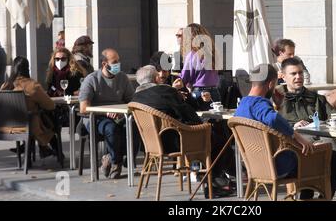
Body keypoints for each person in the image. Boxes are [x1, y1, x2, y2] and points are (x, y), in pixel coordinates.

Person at [235, 64, 336, 198]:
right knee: (334, 158)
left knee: (311, 156)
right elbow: (272, 119)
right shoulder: (260, 104)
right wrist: (296, 136)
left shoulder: (242, 106)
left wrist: (278, 107)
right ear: (271, 84)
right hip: (280, 166)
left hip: (256, 165)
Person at [131, 65, 235, 197]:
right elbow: (190, 116)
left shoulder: (135, 98)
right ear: (156, 78)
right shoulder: (165, 91)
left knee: (213, 136)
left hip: (152, 144)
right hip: (178, 141)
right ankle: (215, 183)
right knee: (217, 138)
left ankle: (222, 179)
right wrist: (201, 124)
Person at [273, 58, 336, 199]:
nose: (298, 77)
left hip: (322, 139)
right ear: (283, 76)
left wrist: (334, 121)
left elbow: (334, 115)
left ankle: (325, 198)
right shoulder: (277, 98)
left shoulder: (315, 97)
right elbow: (272, 124)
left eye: (300, 73)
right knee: (311, 159)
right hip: (294, 142)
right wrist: (292, 126)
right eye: (293, 74)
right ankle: (306, 195)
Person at [79, 48, 137, 179]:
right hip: (96, 118)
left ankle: (113, 157)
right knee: (112, 129)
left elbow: (132, 101)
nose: (118, 64)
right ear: (104, 64)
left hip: (120, 115)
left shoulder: (122, 78)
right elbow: (83, 108)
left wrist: (123, 112)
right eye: (115, 61)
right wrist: (106, 112)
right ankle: (116, 163)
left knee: (134, 126)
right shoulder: (91, 79)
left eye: (119, 61)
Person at [0, 56, 57, 158]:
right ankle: (47, 148)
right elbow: (50, 105)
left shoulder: (5, 85)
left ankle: (34, 148)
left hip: (7, 127)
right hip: (29, 126)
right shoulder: (32, 86)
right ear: (28, 68)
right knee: (48, 119)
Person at [180, 23, 220, 111]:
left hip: (199, 93)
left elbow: (185, 77)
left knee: (198, 121)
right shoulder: (213, 52)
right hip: (215, 92)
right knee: (215, 121)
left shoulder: (192, 55)